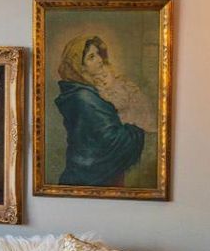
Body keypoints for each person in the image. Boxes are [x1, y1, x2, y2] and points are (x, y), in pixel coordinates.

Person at [54, 34, 154, 187]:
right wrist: (136, 131)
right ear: (79, 67)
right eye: (91, 57)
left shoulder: (86, 90)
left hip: (97, 173)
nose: (100, 60)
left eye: (98, 54)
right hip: (91, 177)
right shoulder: (84, 97)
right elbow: (110, 140)